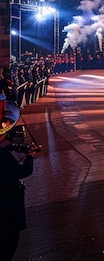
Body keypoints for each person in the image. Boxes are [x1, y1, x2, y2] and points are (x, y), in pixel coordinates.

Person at [1, 109, 36, 261]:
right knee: (8, 244)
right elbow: (22, 171)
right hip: (6, 207)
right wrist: (30, 157)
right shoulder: (2, 157)